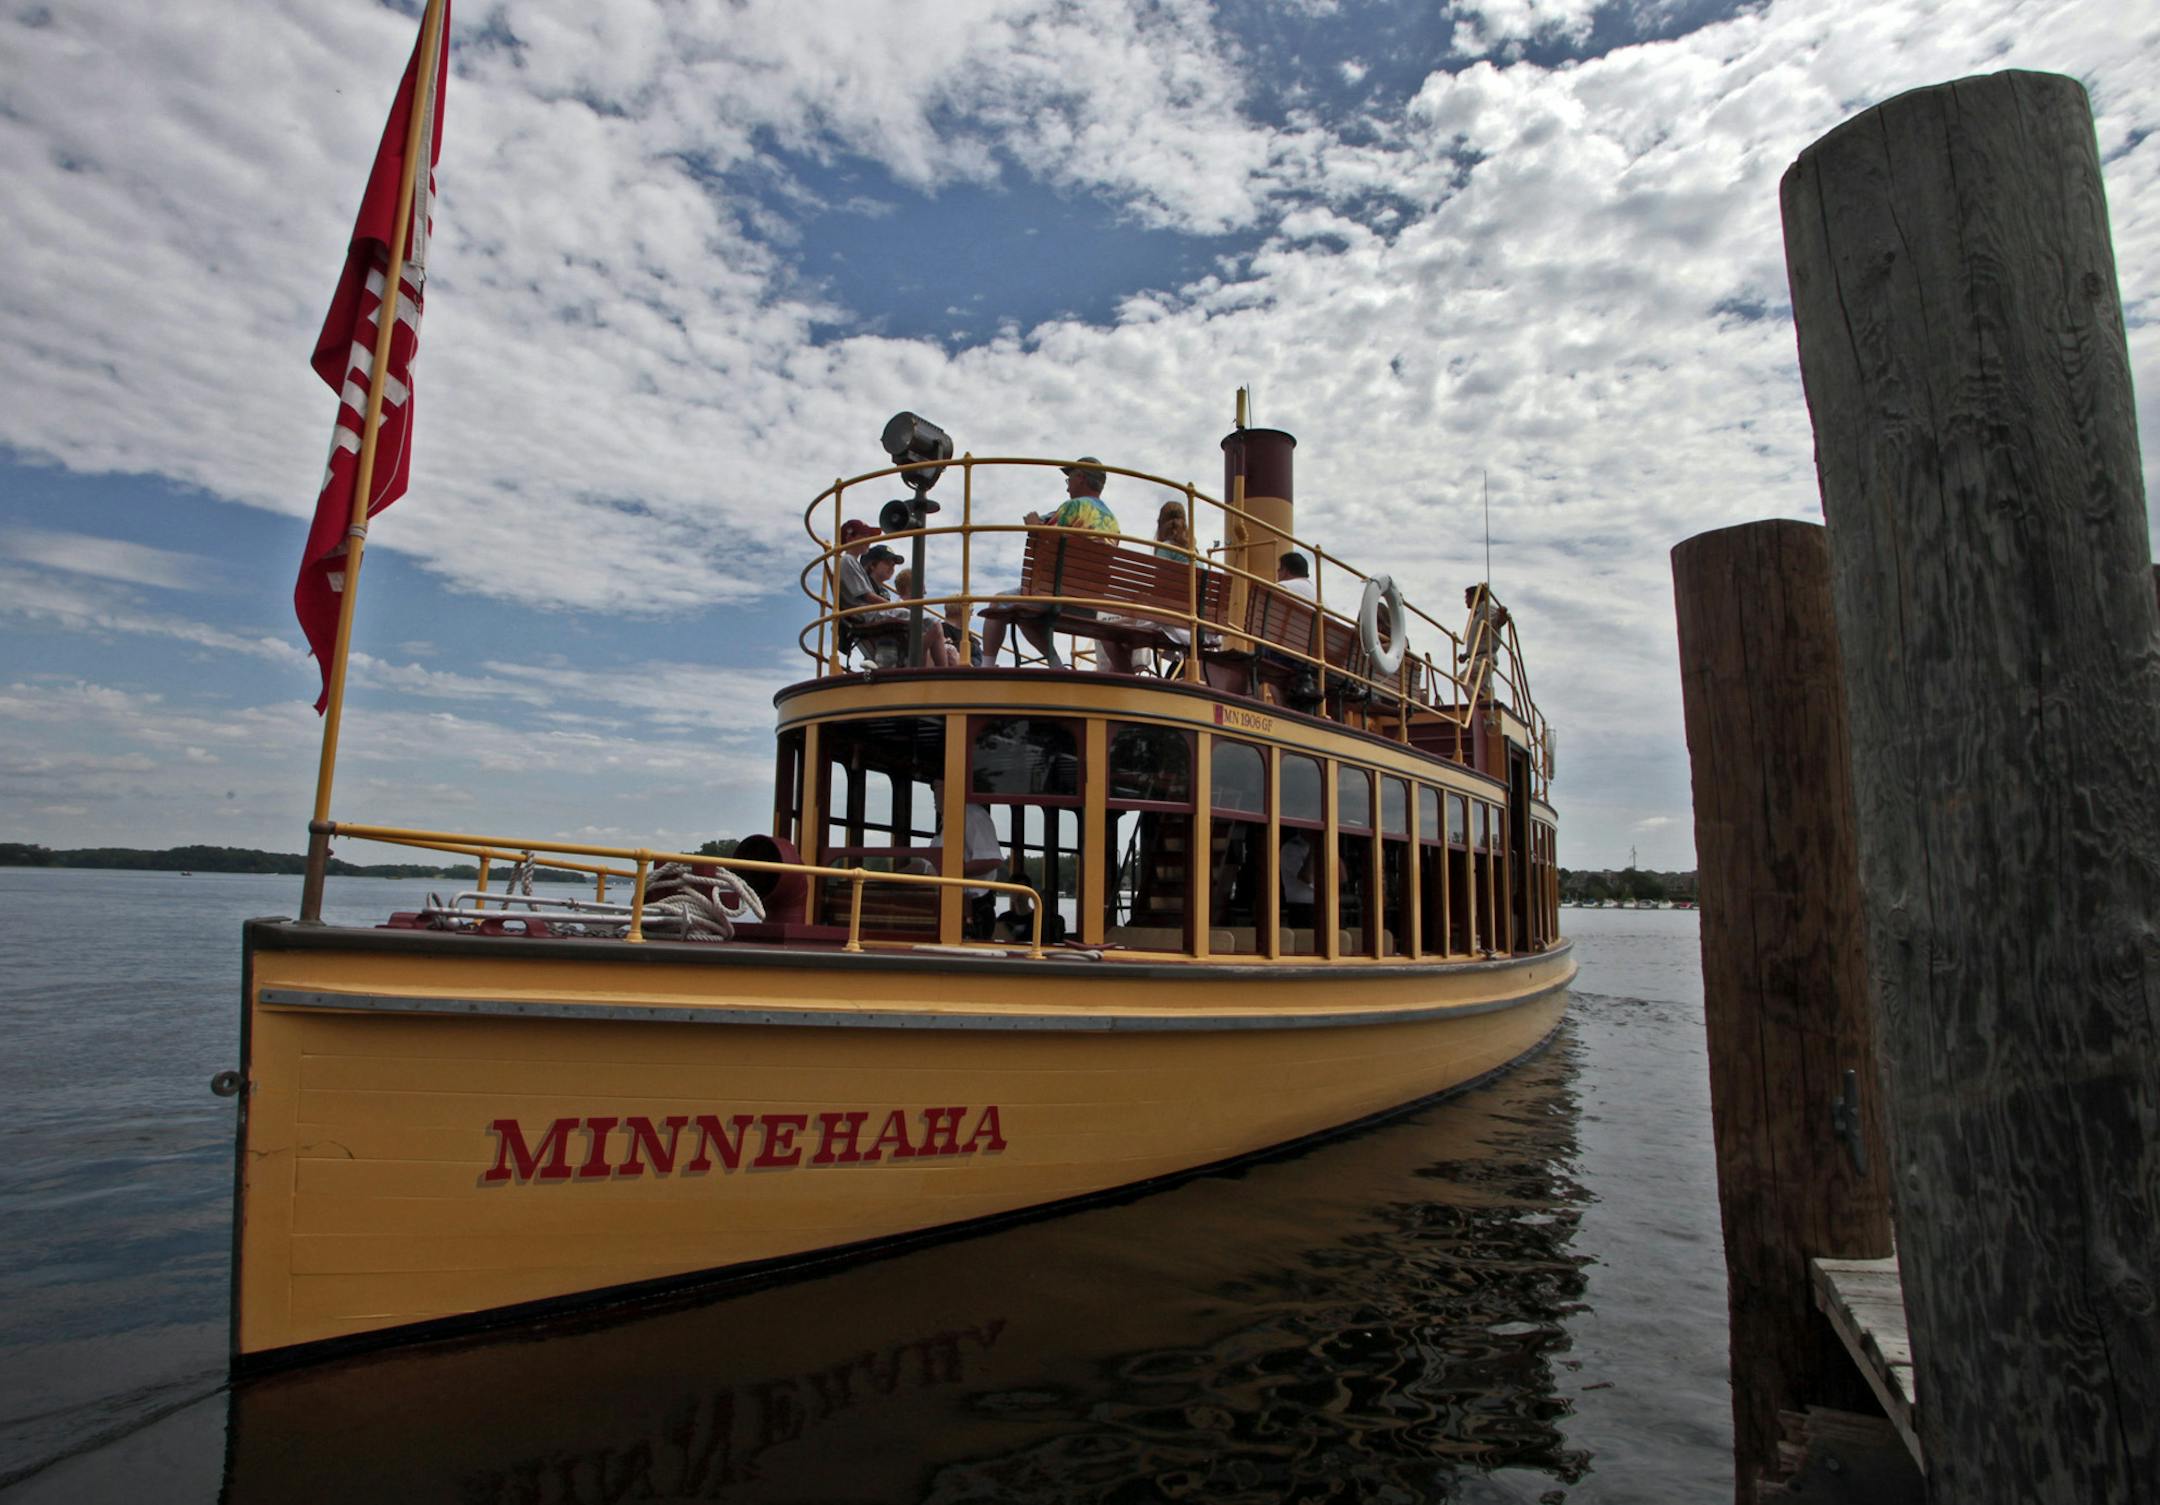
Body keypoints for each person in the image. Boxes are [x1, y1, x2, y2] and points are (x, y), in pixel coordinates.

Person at [981, 457, 1121, 665]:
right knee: (1025, 610)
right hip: (1093, 601)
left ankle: (986, 668)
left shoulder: (1073, 507)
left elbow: (1045, 543)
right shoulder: (1113, 522)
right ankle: (1056, 664)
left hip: (1059, 594)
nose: (1067, 488)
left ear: (1080, 477)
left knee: (999, 601)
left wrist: (1033, 526)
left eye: (1069, 481)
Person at [1280, 826, 1316, 930]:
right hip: (1302, 907)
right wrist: (1313, 848)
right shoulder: (1291, 848)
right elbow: (1306, 877)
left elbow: (1343, 878)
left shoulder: (1323, 847)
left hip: (1323, 905)